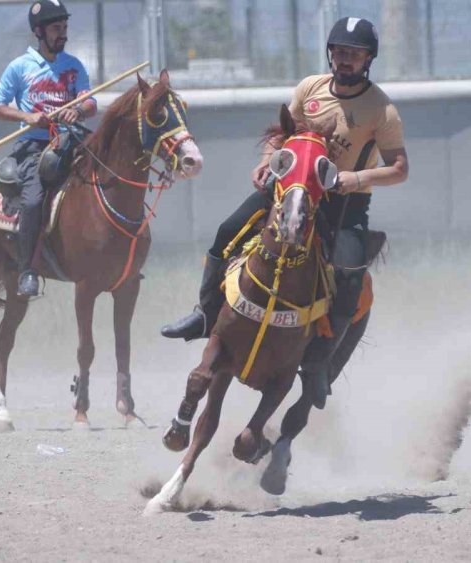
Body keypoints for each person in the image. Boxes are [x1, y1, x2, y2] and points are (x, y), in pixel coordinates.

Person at [161, 16, 409, 408]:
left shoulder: (381, 108)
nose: (344, 60)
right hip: (292, 188)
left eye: (354, 55)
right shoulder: (309, 88)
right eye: (340, 52)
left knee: (348, 277)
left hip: (343, 203)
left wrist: (353, 178)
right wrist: (267, 161)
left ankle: (318, 367)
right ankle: (205, 315)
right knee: (227, 231)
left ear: (368, 60)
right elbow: (283, 136)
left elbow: (399, 169)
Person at [0, 0, 97, 296]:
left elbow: (90, 101)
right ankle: (28, 271)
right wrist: (27, 116)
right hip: (34, 145)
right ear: (39, 31)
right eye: (55, 28)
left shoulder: (74, 66)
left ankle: (115, 256)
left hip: (72, 140)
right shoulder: (19, 67)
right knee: (34, 200)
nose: (63, 33)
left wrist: (80, 111)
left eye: (64, 27)